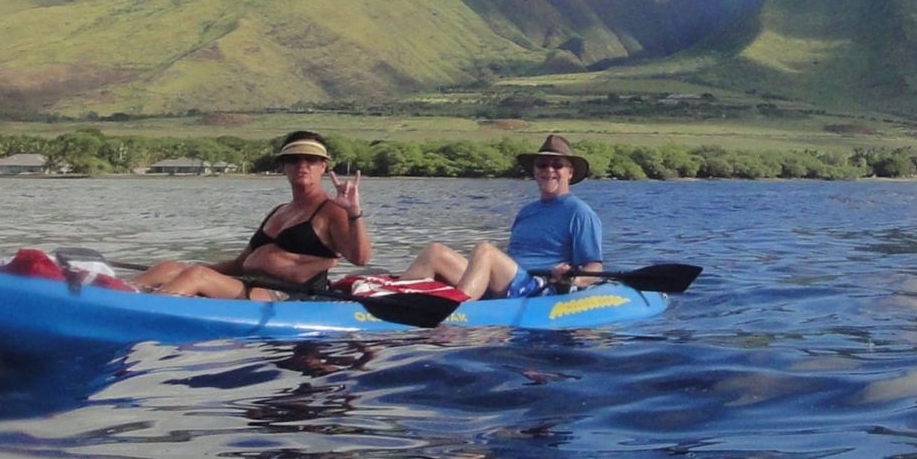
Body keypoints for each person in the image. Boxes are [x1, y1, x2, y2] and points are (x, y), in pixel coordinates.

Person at [135, 132, 370, 299]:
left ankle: (142, 311)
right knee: (170, 267)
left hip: (289, 297)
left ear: (324, 166)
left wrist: (354, 213)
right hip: (247, 284)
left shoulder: (332, 209)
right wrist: (184, 268)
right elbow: (239, 264)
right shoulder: (279, 211)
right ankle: (113, 292)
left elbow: (360, 258)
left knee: (196, 275)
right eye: (293, 159)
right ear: (283, 166)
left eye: (311, 159)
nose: (302, 165)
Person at [405, 132, 606, 299]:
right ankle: (388, 301)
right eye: (542, 164)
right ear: (535, 171)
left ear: (569, 172)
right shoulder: (526, 212)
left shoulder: (580, 213)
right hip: (511, 283)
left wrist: (572, 280)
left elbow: (594, 266)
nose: (549, 170)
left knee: (485, 250)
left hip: (540, 288)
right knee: (434, 252)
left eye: (557, 165)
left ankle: (457, 308)